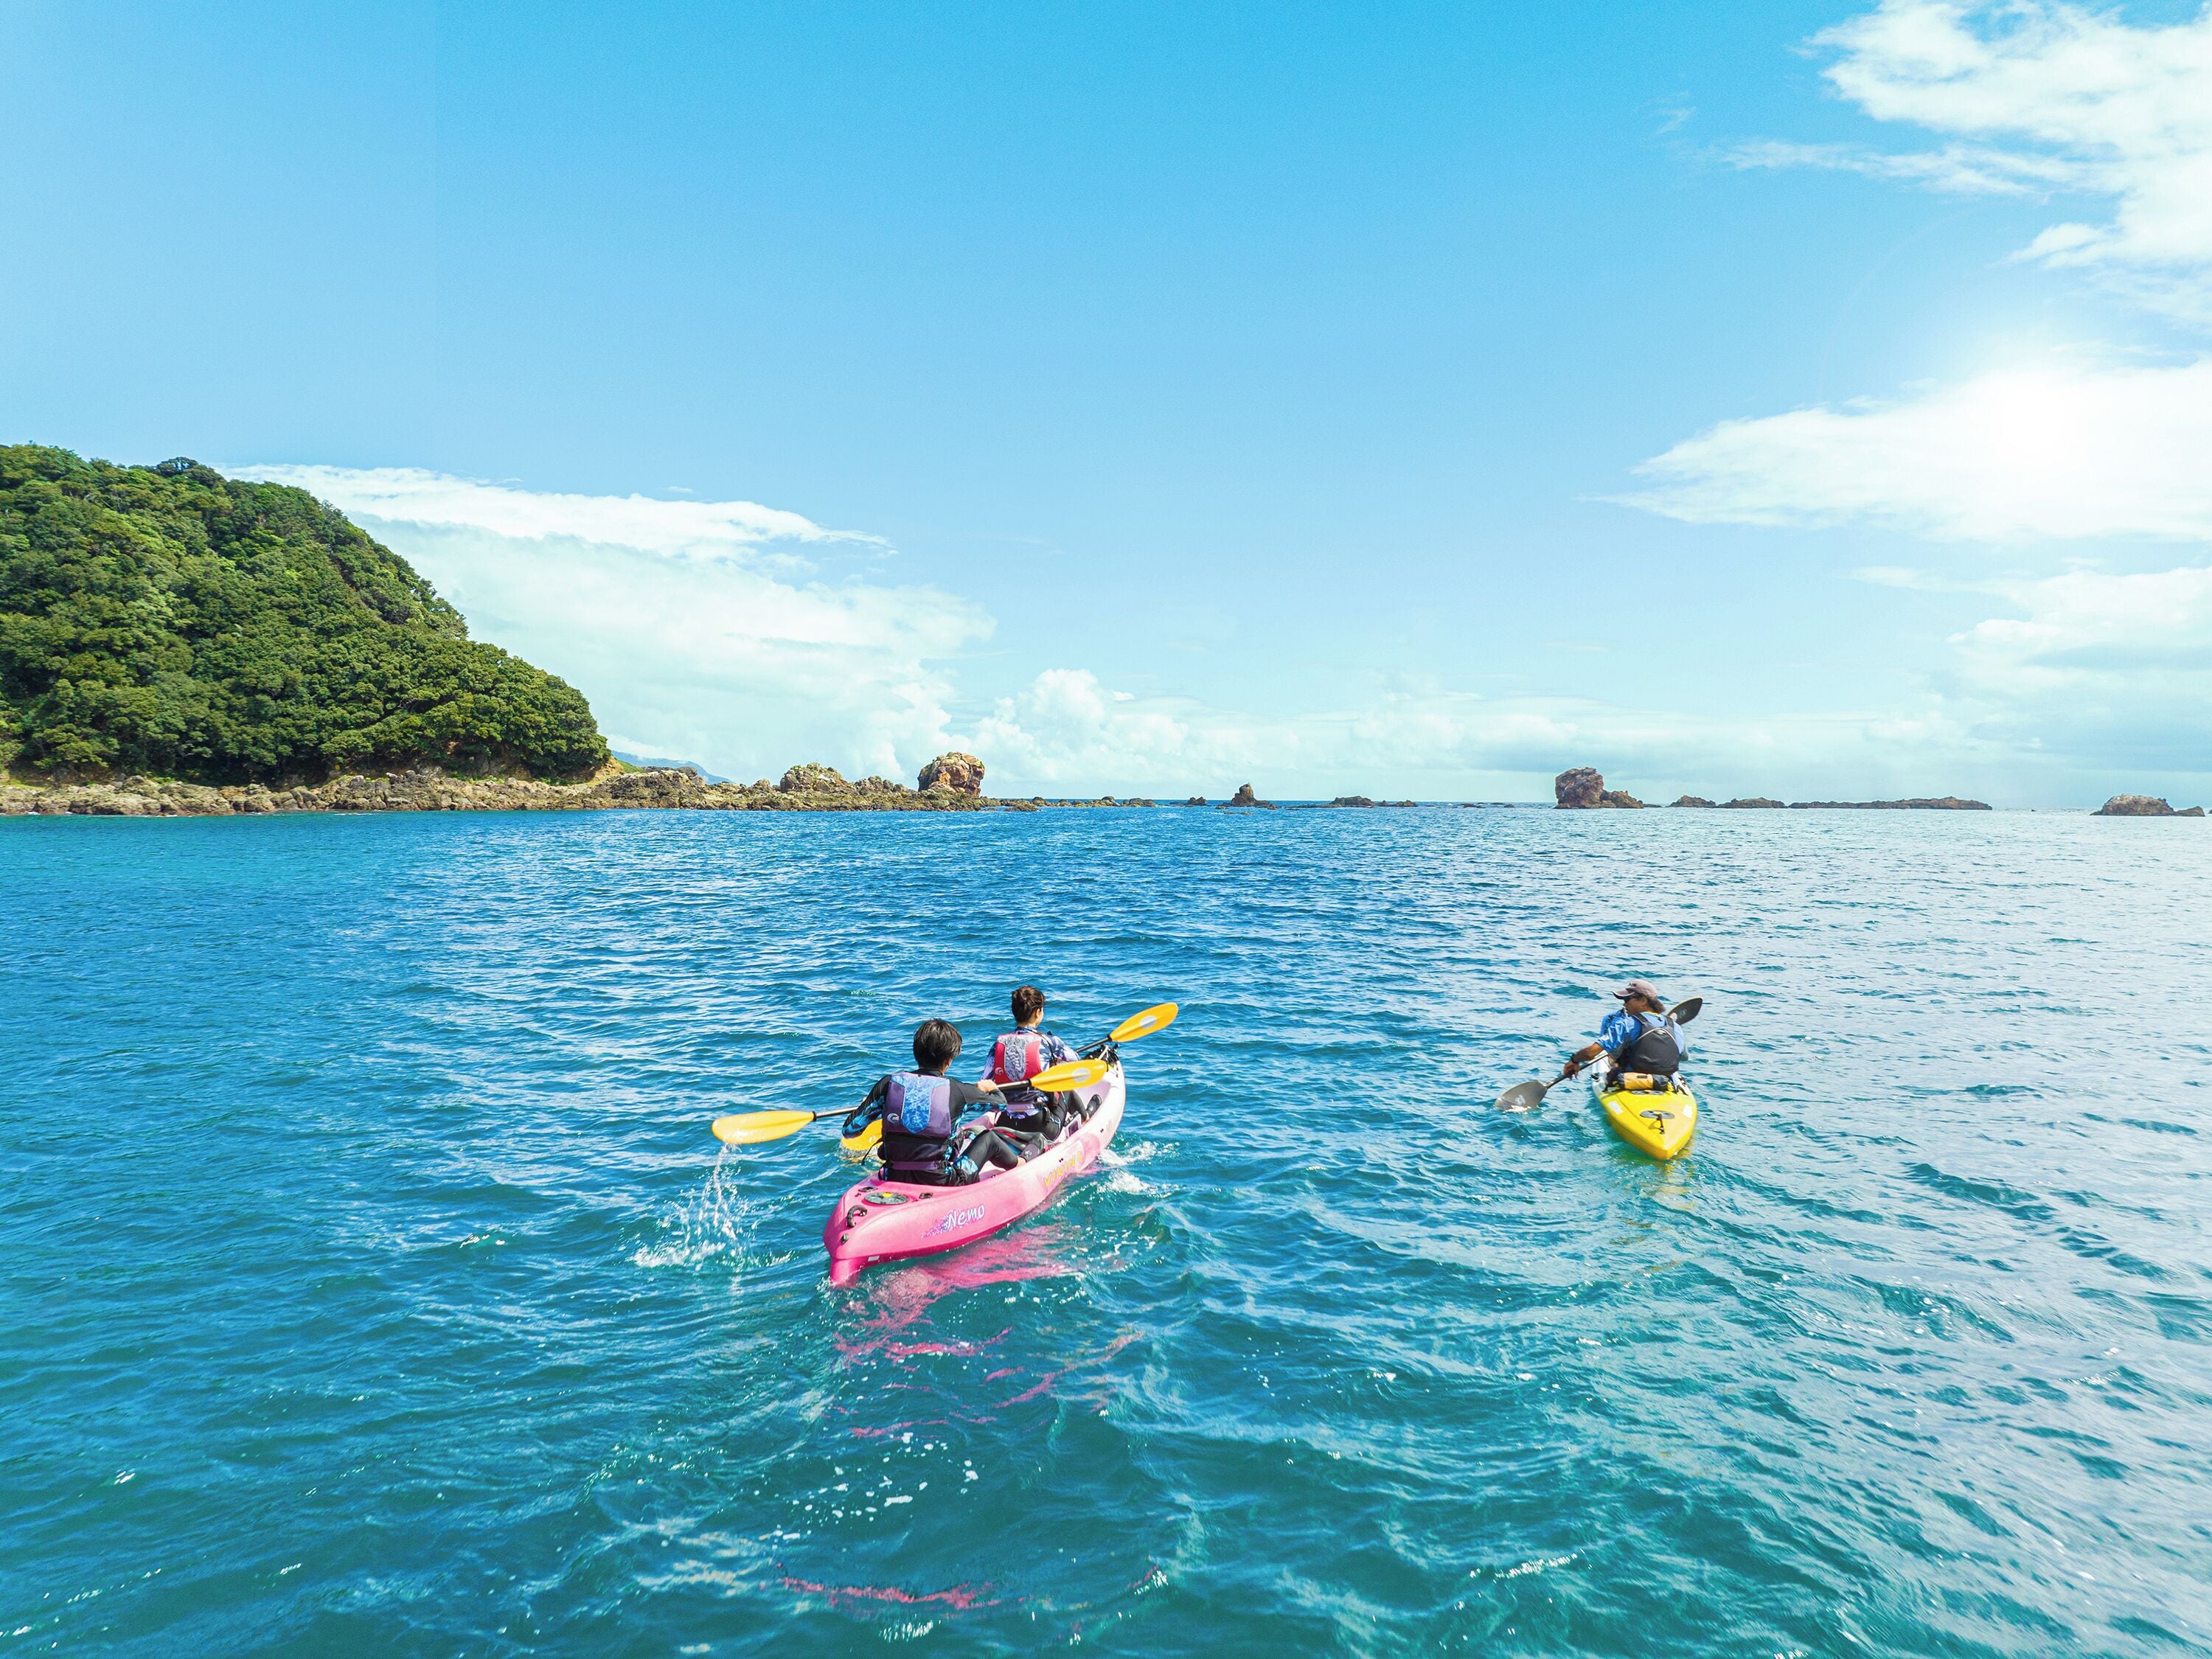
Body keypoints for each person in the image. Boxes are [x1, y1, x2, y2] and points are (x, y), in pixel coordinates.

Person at [849, 1019, 1031, 1186]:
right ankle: (1021, 1163)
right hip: (942, 1180)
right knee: (989, 1139)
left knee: (959, 1133)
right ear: (948, 1061)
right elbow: (1001, 1105)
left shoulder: (888, 1084)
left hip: (893, 1174)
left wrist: (873, 1106)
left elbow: (850, 1131)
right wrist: (990, 1088)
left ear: (916, 1052)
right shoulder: (958, 1090)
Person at [980, 984, 1078, 1141]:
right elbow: (1075, 1059)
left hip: (1007, 1122)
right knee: (1066, 1087)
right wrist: (1054, 1062)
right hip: (1040, 1125)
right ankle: (1086, 1119)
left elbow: (985, 1082)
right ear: (1037, 1012)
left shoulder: (998, 1046)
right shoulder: (1049, 1042)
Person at [1563, 980, 1686, 1090]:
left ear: (1643, 1001)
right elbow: (1683, 1057)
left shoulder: (1626, 1023)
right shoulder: (1675, 1027)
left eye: (1627, 1000)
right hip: (1664, 1083)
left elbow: (1590, 1053)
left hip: (1629, 1082)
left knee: (1615, 1065)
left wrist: (1574, 1060)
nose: (1624, 1005)